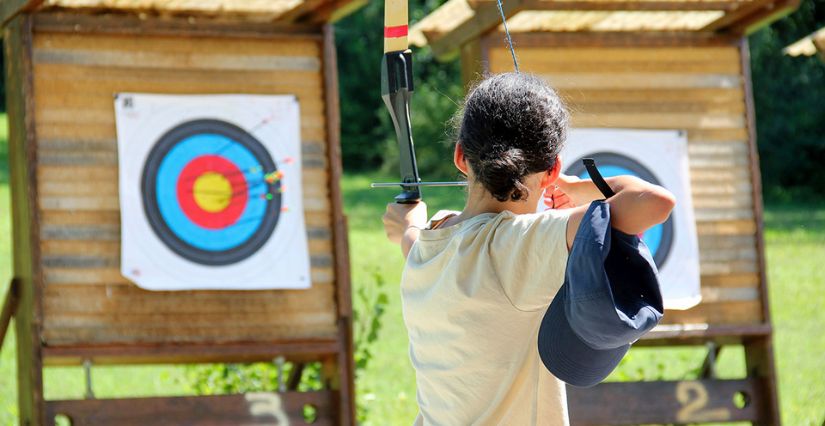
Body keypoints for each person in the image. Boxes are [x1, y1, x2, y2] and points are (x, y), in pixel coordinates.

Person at [382, 73, 675, 425]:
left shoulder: (429, 242)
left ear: (460, 157)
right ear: (552, 170)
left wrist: (408, 225)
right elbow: (655, 202)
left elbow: (411, 237)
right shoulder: (522, 245)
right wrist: (578, 188)